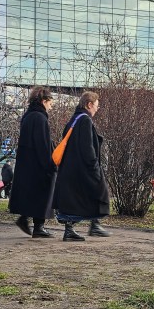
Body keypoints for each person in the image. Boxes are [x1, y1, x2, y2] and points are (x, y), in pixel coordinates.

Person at [52, 91, 110, 241]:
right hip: (82, 169)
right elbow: (87, 147)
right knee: (98, 192)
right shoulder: (85, 120)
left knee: (74, 200)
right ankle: (93, 225)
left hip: (70, 169)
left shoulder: (74, 119)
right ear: (89, 104)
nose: (97, 109)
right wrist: (94, 167)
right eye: (97, 106)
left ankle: (73, 229)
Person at [9, 86, 57, 238]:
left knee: (32, 195)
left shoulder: (28, 116)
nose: (51, 106)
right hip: (38, 164)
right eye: (50, 103)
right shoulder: (39, 117)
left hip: (27, 163)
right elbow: (42, 144)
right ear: (44, 101)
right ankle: (38, 227)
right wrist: (50, 164)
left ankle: (28, 220)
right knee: (43, 193)